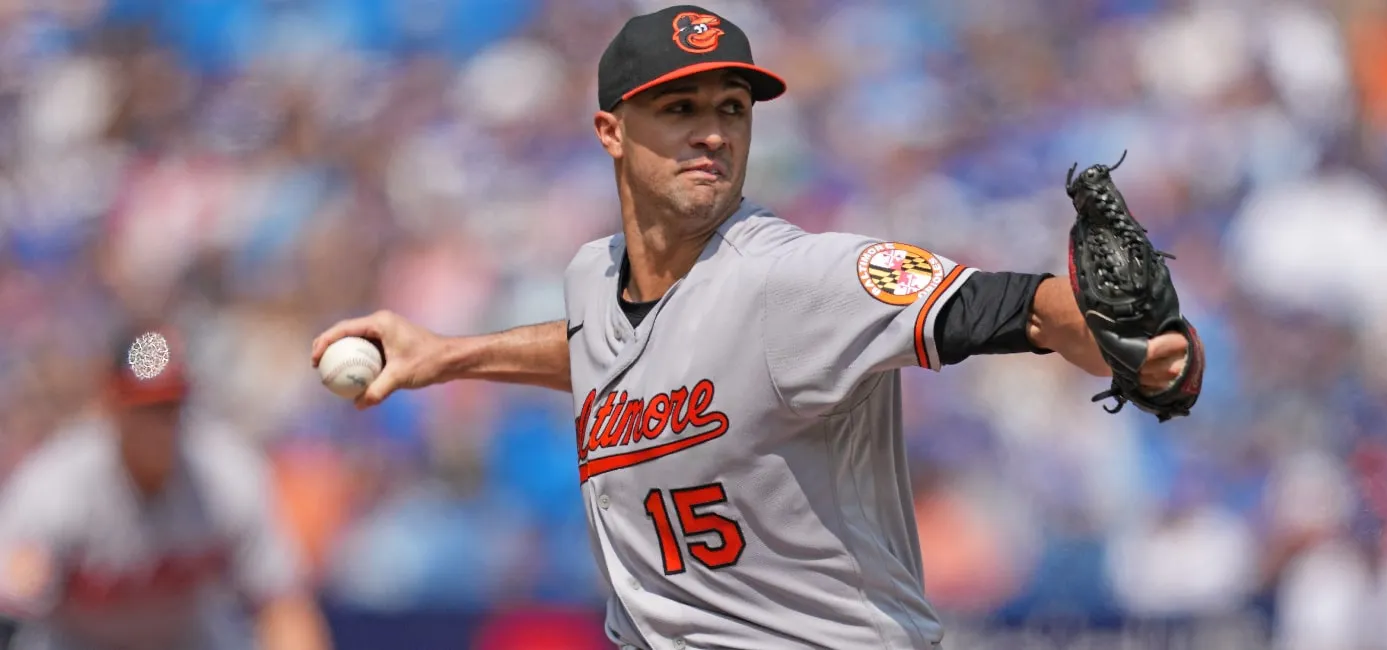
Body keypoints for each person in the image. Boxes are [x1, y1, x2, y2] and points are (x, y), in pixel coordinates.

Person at [311, 5, 1199, 649]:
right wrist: (448, 355)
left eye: (730, 108)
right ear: (610, 131)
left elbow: (1009, 306)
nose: (712, 133)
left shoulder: (796, 278)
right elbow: (606, 347)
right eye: (680, 108)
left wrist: (1121, 345)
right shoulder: (594, 277)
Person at [0, 325, 332, 650]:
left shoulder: (224, 475)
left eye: (169, 405)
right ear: (111, 405)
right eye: (144, 406)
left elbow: (284, 605)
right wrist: (24, 580)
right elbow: (14, 595)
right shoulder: (57, 488)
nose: (159, 424)